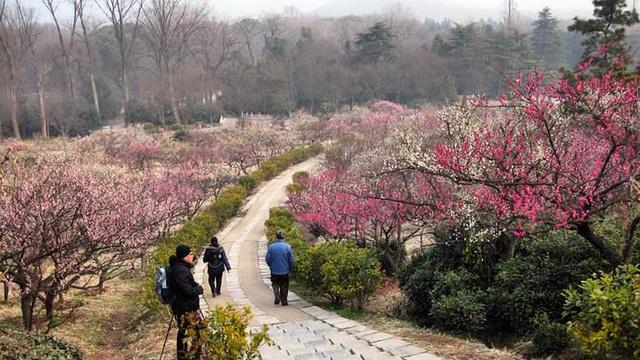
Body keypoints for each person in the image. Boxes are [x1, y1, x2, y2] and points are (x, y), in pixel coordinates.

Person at [167, 244, 203, 359]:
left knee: (185, 332)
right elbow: (187, 291)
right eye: (190, 254)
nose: (192, 256)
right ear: (184, 256)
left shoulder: (179, 267)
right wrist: (199, 289)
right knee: (195, 333)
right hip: (186, 309)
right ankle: (191, 356)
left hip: (183, 307)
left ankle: (185, 356)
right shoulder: (180, 270)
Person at [265, 229, 294, 306]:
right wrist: (291, 268)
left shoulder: (271, 247)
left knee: (275, 284)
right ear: (283, 237)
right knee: (284, 285)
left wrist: (271, 266)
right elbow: (291, 260)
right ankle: (284, 300)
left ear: (276, 237)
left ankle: (277, 296)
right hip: (285, 270)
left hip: (274, 270)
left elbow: (267, 259)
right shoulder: (288, 247)